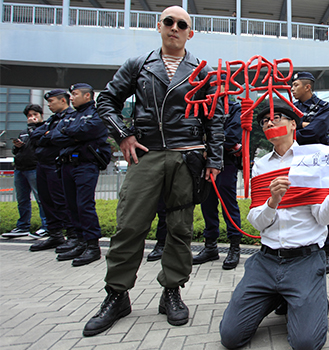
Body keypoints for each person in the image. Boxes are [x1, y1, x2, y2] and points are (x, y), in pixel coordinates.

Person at [84, 6, 224, 337]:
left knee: (180, 228)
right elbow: (106, 102)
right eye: (169, 22)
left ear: (190, 33)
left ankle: (171, 292)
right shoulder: (138, 65)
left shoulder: (204, 71)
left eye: (182, 24)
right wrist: (123, 134)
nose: (174, 28)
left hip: (187, 158)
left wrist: (214, 161)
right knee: (129, 226)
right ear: (159, 27)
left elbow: (214, 119)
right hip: (145, 155)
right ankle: (116, 295)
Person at [219, 99, 329, 350]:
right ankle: (282, 296)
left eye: (276, 118)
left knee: (306, 344)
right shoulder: (260, 166)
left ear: (294, 124)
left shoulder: (313, 160)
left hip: (304, 260)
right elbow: (257, 222)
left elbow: (323, 218)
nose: (269, 123)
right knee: (230, 337)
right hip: (266, 260)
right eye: (264, 121)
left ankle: (307, 297)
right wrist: (272, 201)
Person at [48, 83, 111, 267]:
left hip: (85, 164)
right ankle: (79, 241)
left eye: (75, 94)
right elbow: (54, 137)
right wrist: (74, 134)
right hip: (67, 164)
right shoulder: (70, 115)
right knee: (71, 205)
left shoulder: (97, 113)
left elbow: (91, 130)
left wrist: (69, 132)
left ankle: (92, 246)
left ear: (88, 96)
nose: (71, 98)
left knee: (84, 205)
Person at [291, 71, 329, 273]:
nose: (292, 88)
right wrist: (303, 125)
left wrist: (296, 128)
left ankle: (327, 251)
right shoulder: (289, 107)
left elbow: (317, 131)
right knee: (297, 203)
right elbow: (282, 131)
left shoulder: (324, 107)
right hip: (295, 160)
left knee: (323, 203)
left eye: (296, 85)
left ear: (307, 87)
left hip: (318, 161)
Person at [193, 101, 243, 269]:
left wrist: (209, 146)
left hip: (226, 162)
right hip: (203, 161)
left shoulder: (235, 107)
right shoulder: (203, 106)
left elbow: (232, 136)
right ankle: (210, 247)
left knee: (228, 204)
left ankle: (234, 248)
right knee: (206, 203)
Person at [28, 90, 76, 253]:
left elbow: (60, 138)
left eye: (52, 101)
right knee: (46, 200)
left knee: (61, 200)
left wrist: (47, 136)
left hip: (57, 164)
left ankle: (72, 235)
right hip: (42, 164)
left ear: (63, 100)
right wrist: (47, 135)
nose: (48, 104)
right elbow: (35, 136)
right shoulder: (51, 119)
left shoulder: (71, 117)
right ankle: (55, 234)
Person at [2, 104, 47, 239]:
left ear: (41, 115)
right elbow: (17, 150)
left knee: (41, 199)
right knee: (22, 199)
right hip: (20, 168)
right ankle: (22, 226)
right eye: (29, 116)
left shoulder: (44, 128)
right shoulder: (23, 131)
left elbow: (40, 144)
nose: (32, 118)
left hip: (35, 168)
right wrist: (17, 146)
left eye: (35, 115)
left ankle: (46, 226)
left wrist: (34, 128)